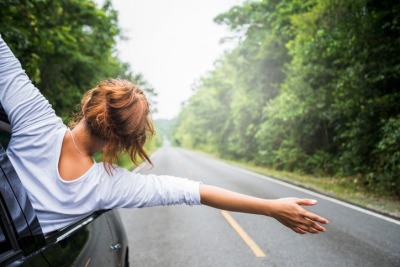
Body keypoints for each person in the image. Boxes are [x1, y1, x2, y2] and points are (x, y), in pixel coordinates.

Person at [0, 35, 328, 236]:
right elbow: (193, 191)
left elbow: (6, 65)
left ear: (89, 101)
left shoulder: (36, 121)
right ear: (123, 142)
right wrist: (271, 207)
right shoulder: (107, 186)